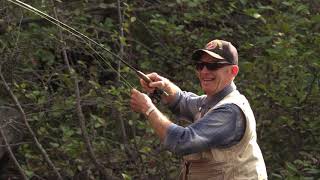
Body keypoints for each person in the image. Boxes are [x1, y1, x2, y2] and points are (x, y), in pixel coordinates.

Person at [130, 39, 268, 180]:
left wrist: (148, 109)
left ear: (233, 71)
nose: (204, 71)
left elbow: (182, 141)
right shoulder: (211, 101)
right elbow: (182, 101)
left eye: (213, 65)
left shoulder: (230, 111)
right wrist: (164, 85)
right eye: (200, 65)